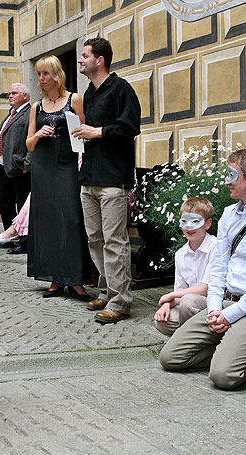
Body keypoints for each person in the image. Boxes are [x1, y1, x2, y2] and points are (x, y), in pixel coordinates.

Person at [159, 148, 246, 389]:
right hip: (224, 303)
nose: (226, 181)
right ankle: (229, 349)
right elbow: (219, 266)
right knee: (170, 357)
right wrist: (215, 309)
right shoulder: (229, 213)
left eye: (231, 175)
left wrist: (230, 315)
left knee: (223, 377)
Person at [72, 38, 141, 323]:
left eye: (85, 56)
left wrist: (96, 132)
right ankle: (105, 290)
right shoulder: (89, 92)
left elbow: (129, 127)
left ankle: (120, 301)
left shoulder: (121, 88)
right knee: (95, 239)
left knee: (115, 241)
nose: (80, 60)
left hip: (113, 178)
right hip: (89, 176)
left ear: (99, 60)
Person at [25, 55, 91, 301]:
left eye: (45, 73)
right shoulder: (36, 107)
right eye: (39, 74)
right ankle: (54, 279)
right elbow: (29, 145)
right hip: (42, 166)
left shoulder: (74, 98)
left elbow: (83, 132)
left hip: (66, 166)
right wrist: (40, 134)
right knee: (47, 222)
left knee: (71, 220)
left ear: (57, 74)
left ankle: (76, 280)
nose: (42, 79)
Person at [154, 197, 217, 337]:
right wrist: (167, 304)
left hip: (213, 304)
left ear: (207, 224)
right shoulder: (180, 254)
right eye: (184, 221)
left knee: (188, 302)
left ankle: (192, 341)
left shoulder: (216, 246)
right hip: (189, 307)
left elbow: (205, 288)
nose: (189, 227)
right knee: (163, 320)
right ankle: (192, 336)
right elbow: (180, 292)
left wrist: (169, 296)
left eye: (195, 221)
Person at [0, 83, 31, 254]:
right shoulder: (10, 114)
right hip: (4, 167)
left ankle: (25, 241)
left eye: (14, 93)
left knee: (22, 205)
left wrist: (26, 164)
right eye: (9, 93)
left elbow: (33, 140)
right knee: (4, 202)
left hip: (19, 167)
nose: (10, 96)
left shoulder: (30, 112)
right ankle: (9, 235)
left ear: (25, 96)